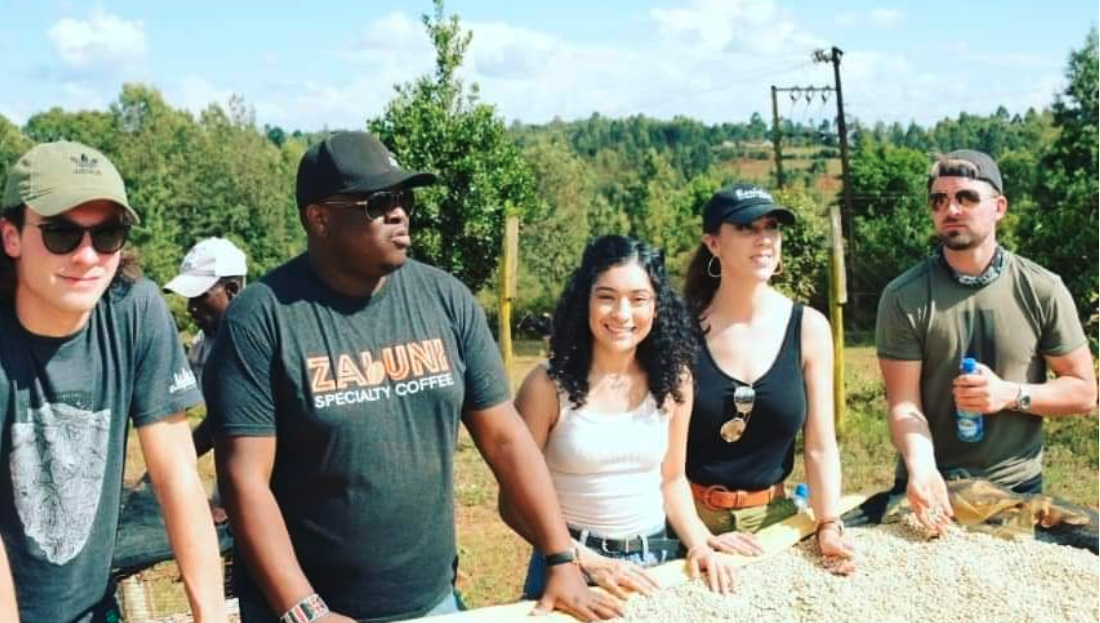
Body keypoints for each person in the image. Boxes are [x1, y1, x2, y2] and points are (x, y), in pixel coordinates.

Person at [205, 131, 620, 623]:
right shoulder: (262, 318)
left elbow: (506, 439)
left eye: (403, 198)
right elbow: (244, 480)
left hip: (430, 603)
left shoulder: (445, 299)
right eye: (378, 202)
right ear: (319, 218)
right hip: (301, 609)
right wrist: (306, 610)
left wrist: (560, 557)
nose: (399, 213)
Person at [0, 141, 227, 622]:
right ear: (11, 236)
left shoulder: (135, 311)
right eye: (62, 233)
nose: (87, 256)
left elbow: (179, 477)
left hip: (91, 606)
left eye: (107, 234)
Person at [502, 235, 740, 600]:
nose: (622, 314)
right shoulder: (546, 386)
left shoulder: (676, 381)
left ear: (657, 307)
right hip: (570, 566)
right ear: (586, 300)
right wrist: (584, 560)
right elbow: (513, 502)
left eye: (639, 299)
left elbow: (672, 480)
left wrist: (700, 545)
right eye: (607, 296)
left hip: (657, 564)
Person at [876, 150, 1097, 533]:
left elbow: (1083, 392)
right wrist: (922, 468)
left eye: (966, 197)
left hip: (1018, 490)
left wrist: (1009, 395)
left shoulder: (1042, 289)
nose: (951, 209)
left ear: (999, 207)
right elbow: (904, 403)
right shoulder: (904, 296)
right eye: (939, 200)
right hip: (932, 487)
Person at [682, 183, 856, 575]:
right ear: (713, 243)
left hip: (776, 521)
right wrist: (696, 536)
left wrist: (828, 523)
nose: (764, 240)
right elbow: (661, 460)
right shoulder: (681, 331)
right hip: (687, 523)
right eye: (746, 228)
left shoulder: (809, 328)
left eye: (772, 227)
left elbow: (820, 445)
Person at [164, 237, 248, 472]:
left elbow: (222, 418)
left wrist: (171, 466)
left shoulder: (258, 345)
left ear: (232, 290)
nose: (191, 307)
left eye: (200, 295)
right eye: (189, 297)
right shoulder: (203, 345)